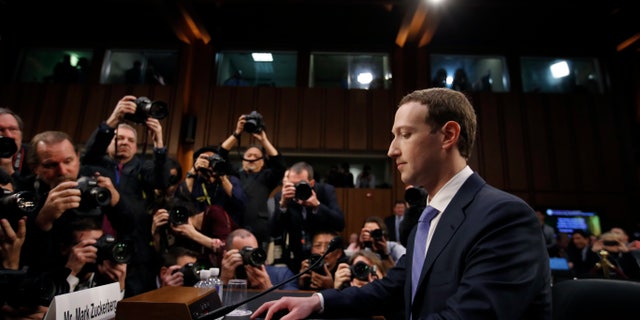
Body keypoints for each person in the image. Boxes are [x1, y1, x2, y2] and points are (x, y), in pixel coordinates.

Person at [252, 87, 551, 320]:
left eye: (404, 135)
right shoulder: (427, 216)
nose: (391, 150)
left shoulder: (504, 216)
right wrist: (316, 302)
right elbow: (392, 288)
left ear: (448, 135)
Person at [80, 95, 169, 297]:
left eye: (130, 140)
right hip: (94, 250)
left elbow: (161, 181)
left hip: (135, 253)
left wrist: (159, 143)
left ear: (136, 147)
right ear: (109, 141)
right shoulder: (97, 164)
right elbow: (88, 155)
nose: (124, 143)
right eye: (119, 138)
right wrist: (114, 119)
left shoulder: (143, 168)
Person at [219, 114, 286, 250]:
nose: (252, 158)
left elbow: (280, 166)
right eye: (248, 155)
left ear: (262, 163)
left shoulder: (266, 177)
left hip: (258, 229)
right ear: (242, 159)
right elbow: (220, 155)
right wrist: (237, 133)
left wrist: (264, 140)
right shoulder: (235, 175)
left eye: (256, 156)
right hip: (234, 226)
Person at [271, 161, 345, 273]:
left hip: (325, 257)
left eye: (300, 184)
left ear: (311, 183)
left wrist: (317, 206)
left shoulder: (325, 191)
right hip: (296, 259)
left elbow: (340, 224)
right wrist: (283, 205)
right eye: (292, 184)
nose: (296, 188)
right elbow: (274, 232)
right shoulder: (283, 196)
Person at [175, 145, 247, 226]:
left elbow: (241, 202)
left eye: (214, 159)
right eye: (206, 159)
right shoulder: (193, 181)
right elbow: (181, 199)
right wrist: (194, 170)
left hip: (225, 230)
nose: (210, 163)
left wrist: (221, 175)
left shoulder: (230, 180)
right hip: (197, 229)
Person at [220, 228, 298, 290]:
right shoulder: (216, 280)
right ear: (226, 255)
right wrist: (223, 282)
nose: (250, 258)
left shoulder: (282, 275)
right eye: (244, 253)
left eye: (253, 252)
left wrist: (269, 289)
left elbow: (294, 304)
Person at [0, 108, 31, 188]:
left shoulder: (33, 156)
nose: (9, 135)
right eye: (1, 130)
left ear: (21, 134)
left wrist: (9, 171)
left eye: (13, 129)